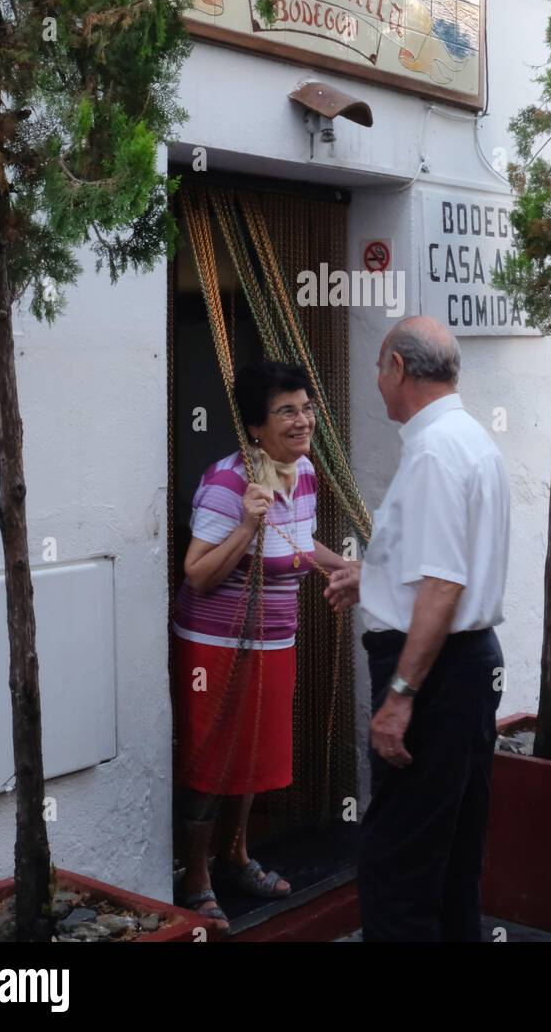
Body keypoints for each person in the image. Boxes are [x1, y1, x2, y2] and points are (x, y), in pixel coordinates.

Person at [325, 316, 510, 942]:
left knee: (397, 867)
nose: (376, 383)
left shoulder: (433, 452)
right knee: (451, 857)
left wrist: (400, 698)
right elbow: (435, 571)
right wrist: (372, 577)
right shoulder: (469, 439)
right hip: (464, 668)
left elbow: (443, 585)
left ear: (399, 368)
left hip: (431, 674)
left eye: (379, 368)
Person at [174, 360, 355, 935]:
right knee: (210, 761)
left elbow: (298, 546)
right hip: (216, 646)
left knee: (252, 757)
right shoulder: (229, 485)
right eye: (287, 412)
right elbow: (197, 574)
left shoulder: (302, 474)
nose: (303, 421)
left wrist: (348, 567)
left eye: (306, 409)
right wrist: (246, 527)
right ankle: (196, 877)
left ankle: (236, 856)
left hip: (276, 641)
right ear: (256, 427)